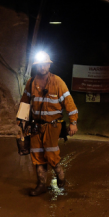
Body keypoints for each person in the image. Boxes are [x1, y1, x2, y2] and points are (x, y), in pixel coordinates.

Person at [17, 52, 78, 196]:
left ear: (49, 65)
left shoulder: (58, 82)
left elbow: (69, 103)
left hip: (52, 126)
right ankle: (41, 185)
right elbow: (25, 102)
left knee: (51, 154)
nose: (42, 66)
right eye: (40, 64)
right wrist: (21, 121)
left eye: (45, 63)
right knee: (37, 155)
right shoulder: (31, 82)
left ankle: (60, 176)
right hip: (35, 126)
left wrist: (73, 122)